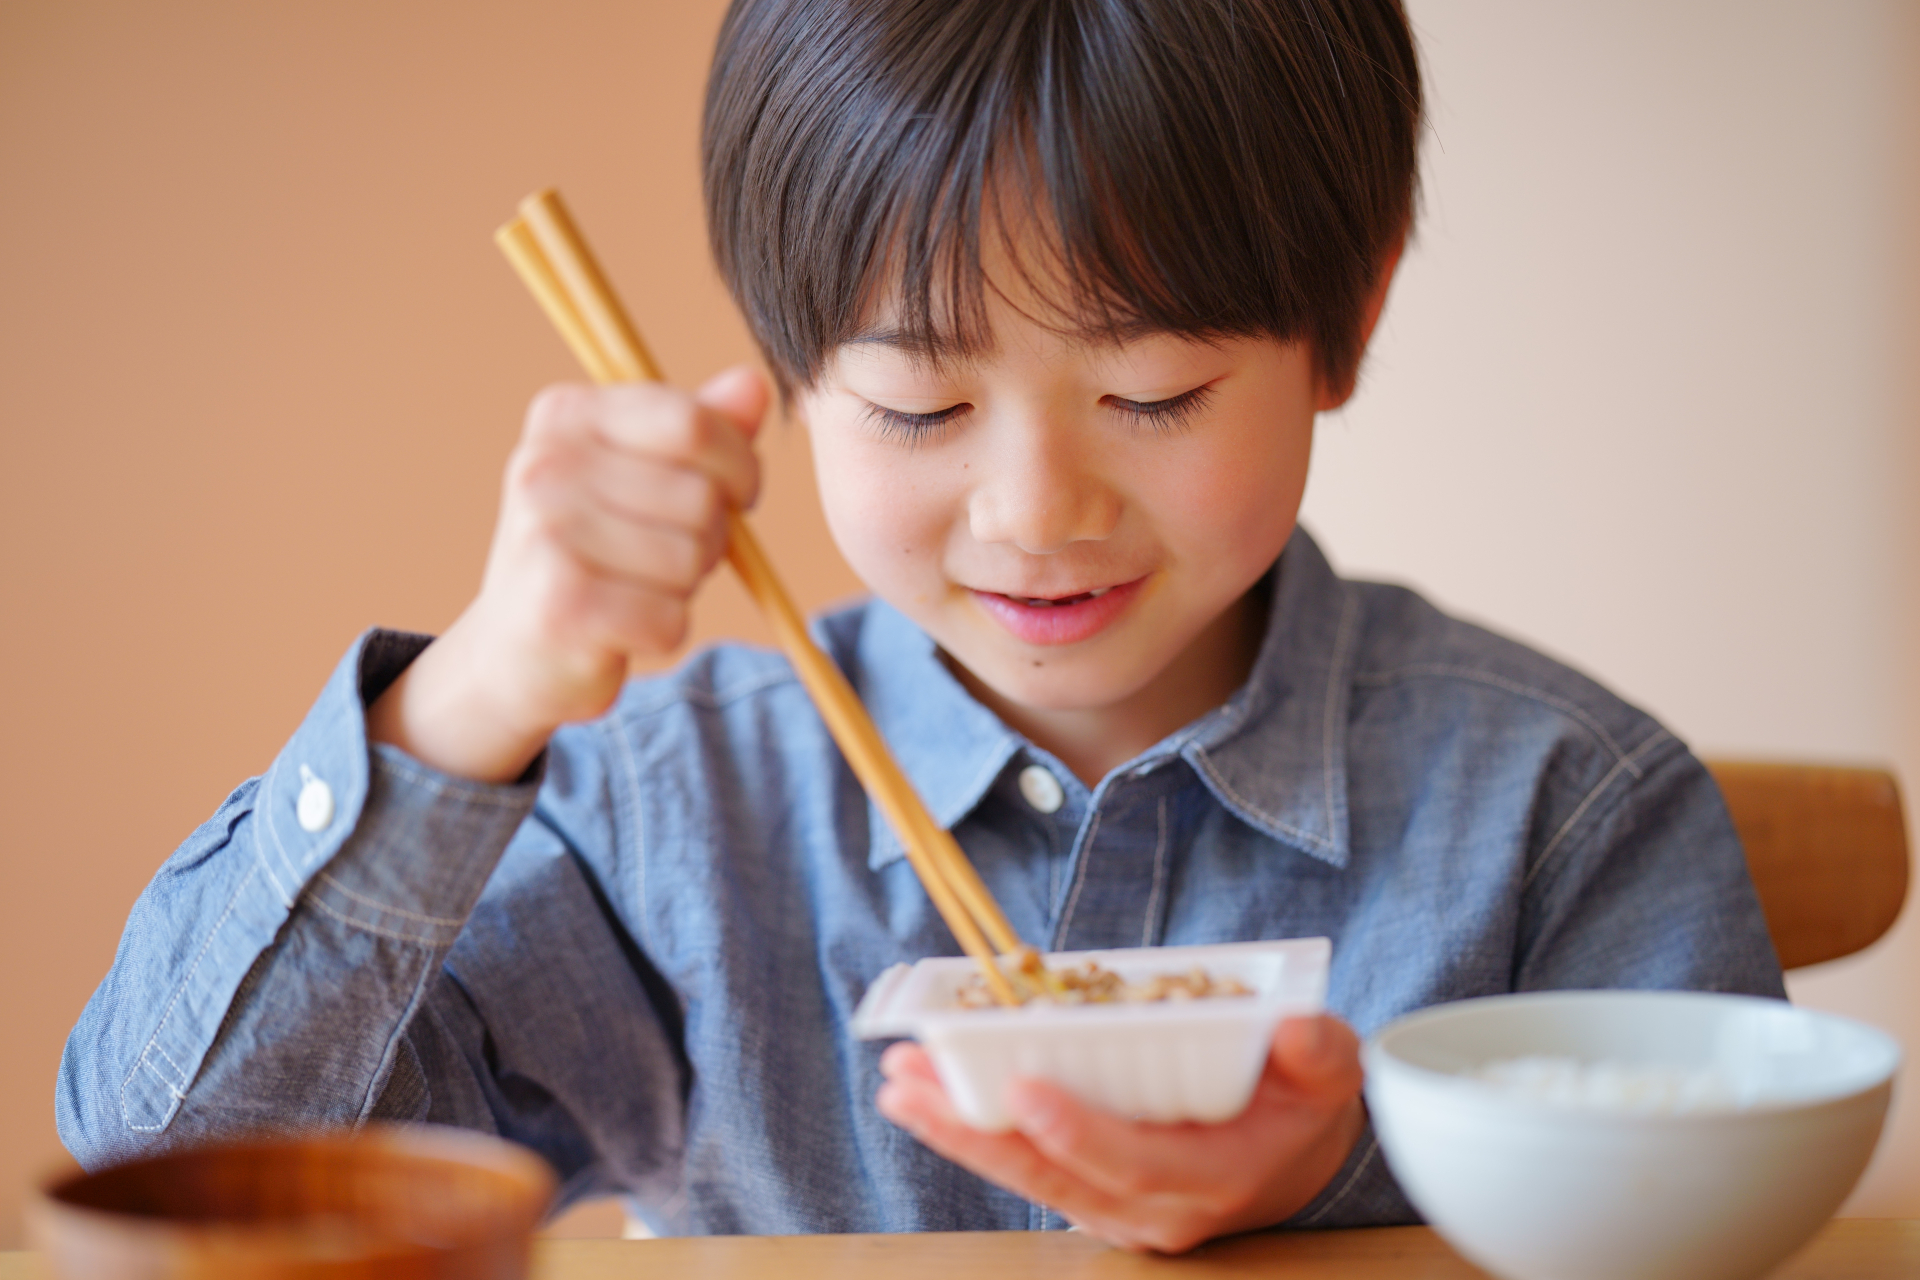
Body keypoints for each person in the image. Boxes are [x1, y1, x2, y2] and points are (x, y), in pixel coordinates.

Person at [56, 0, 1783, 1254]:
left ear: (1355, 311)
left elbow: (1722, 1230)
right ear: (793, 365)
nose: (1036, 513)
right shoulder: (669, 815)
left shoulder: (1568, 808)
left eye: (1154, 391)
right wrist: (467, 700)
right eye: (914, 407)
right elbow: (164, 1161)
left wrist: (1346, 1176)